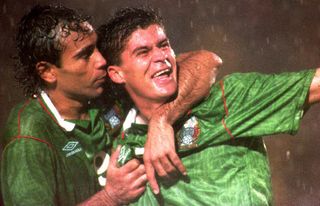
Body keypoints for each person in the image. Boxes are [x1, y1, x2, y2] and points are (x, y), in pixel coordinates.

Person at [0, 4, 220, 206]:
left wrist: (163, 120)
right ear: (47, 72)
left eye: (95, 47)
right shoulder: (28, 137)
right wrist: (109, 197)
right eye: (85, 55)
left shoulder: (105, 86)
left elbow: (206, 62)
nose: (101, 60)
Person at [98, 7, 320, 205]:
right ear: (116, 74)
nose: (161, 57)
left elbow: (315, 85)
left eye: (164, 45)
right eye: (143, 52)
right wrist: (110, 197)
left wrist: (161, 119)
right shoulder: (115, 134)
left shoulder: (225, 100)